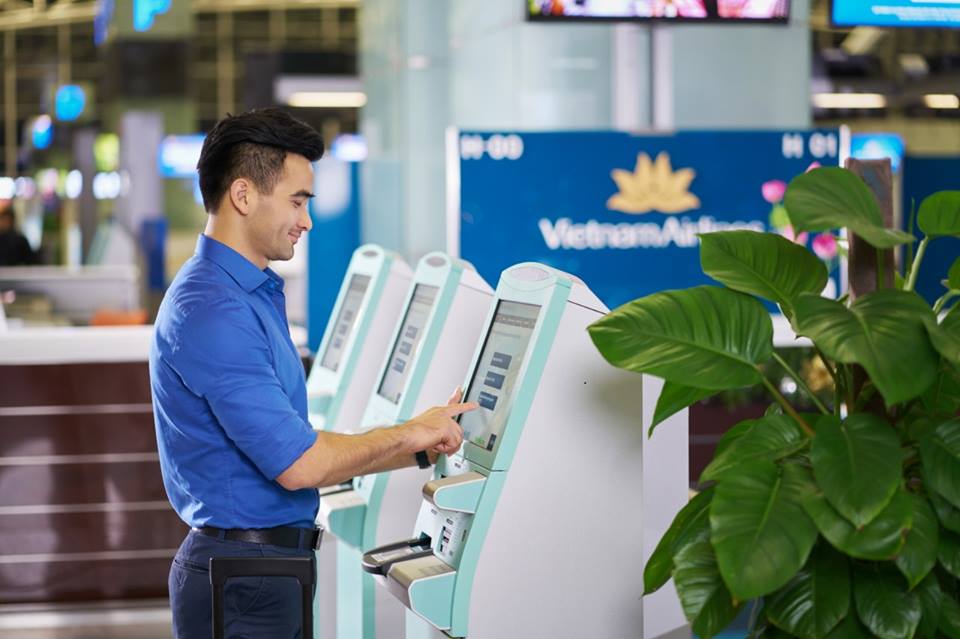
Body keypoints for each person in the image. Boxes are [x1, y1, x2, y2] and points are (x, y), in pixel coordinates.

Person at [149, 108, 475, 639]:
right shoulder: (213, 307)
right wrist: (409, 433)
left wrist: (422, 442)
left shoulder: (247, 293)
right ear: (244, 195)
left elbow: (293, 449)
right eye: (297, 201)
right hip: (245, 578)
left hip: (260, 568)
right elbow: (298, 464)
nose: (307, 220)